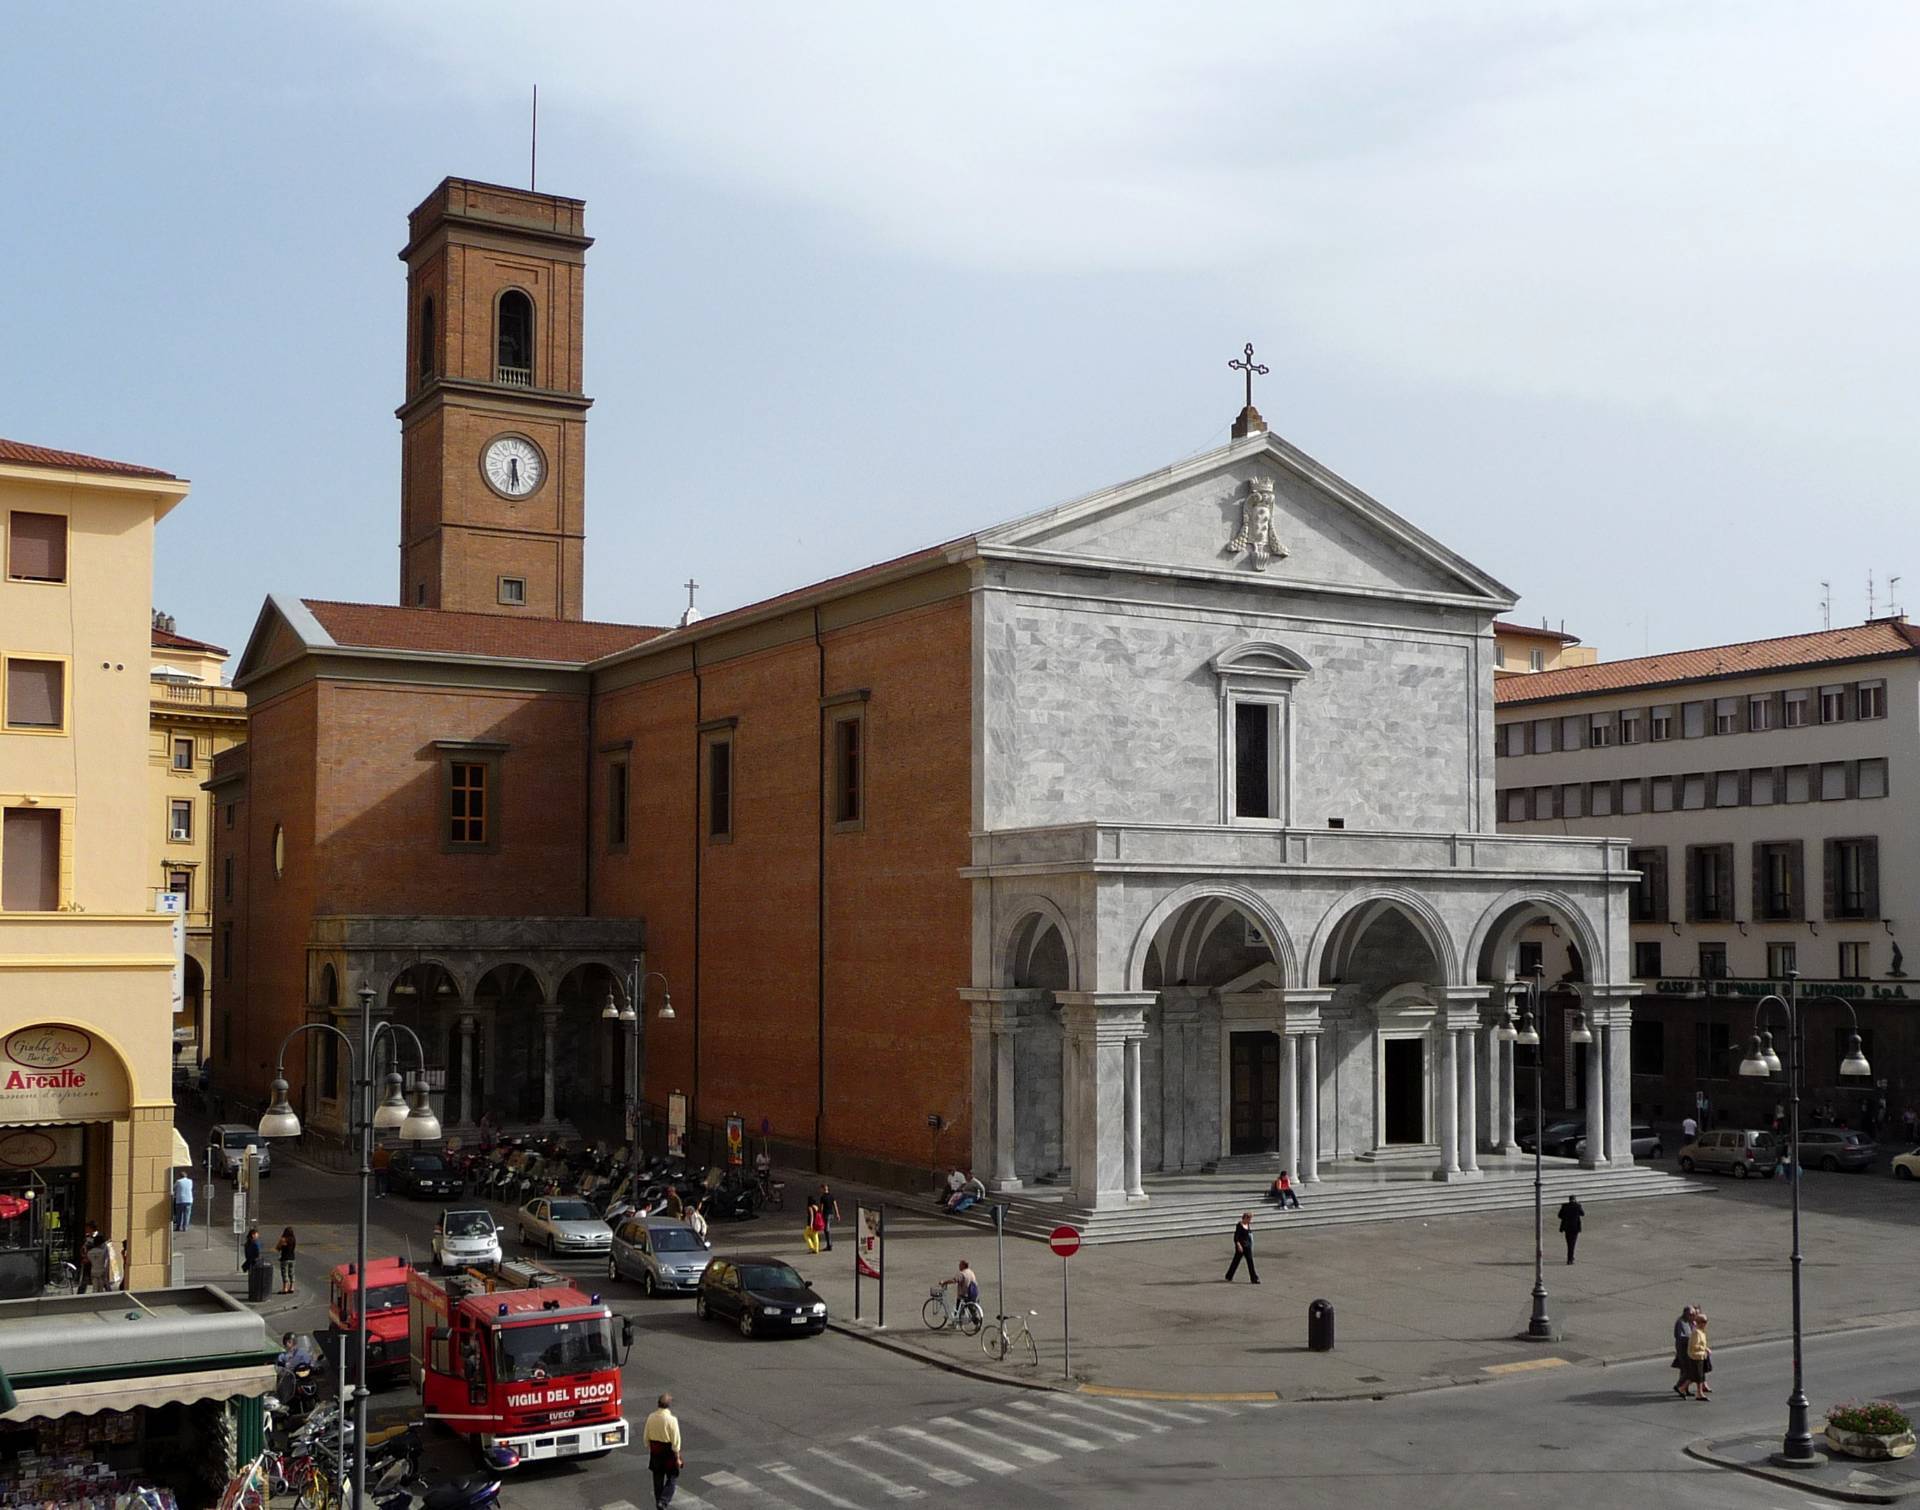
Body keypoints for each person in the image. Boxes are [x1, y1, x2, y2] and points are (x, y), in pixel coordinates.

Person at [644, 1391, 683, 1509]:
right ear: (669, 1405)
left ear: (658, 1404)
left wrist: (650, 1448)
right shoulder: (671, 1420)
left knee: (658, 1478)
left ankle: (658, 1503)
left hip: (655, 1451)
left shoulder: (651, 1417)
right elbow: (675, 1441)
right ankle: (664, 1500)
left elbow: (646, 1437)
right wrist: (677, 1458)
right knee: (672, 1476)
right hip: (668, 1452)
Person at [1224, 1211, 1259, 1284]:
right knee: (1235, 1261)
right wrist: (1238, 1245)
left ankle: (1254, 1278)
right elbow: (1236, 1237)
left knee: (1250, 1262)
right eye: (1249, 1219)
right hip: (1241, 1246)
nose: (1250, 1221)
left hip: (1247, 1246)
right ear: (1245, 1218)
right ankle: (1229, 1275)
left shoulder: (1247, 1224)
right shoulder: (1239, 1225)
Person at [1686, 1310, 1712, 1400]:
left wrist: (1706, 1349)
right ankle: (1698, 1393)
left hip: (1700, 1355)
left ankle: (1683, 1389)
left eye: (1706, 1321)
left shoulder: (1701, 1331)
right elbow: (1695, 1346)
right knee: (1697, 1376)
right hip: (1695, 1356)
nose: (1706, 1323)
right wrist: (1703, 1349)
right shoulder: (1696, 1332)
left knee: (1698, 1376)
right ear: (1699, 1323)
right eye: (1704, 1322)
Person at [1670, 1306, 1695, 1398]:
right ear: (1685, 1313)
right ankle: (1679, 1387)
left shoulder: (1689, 1322)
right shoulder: (1681, 1322)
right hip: (1683, 1350)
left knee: (1685, 1369)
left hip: (1688, 1348)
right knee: (1686, 1370)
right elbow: (1681, 1337)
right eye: (1691, 1314)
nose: (1692, 1316)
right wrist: (1692, 1339)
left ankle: (1685, 1389)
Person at [1557, 1194, 1584, 1264]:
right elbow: (1582, 1214)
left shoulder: (1565, 1206)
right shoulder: (1578, 1206)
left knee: (1569, 1243)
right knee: (1572, 1244)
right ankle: (1570, 1259)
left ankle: (1571, 1257)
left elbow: (1559, 1216)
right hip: (1575, 1228)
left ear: (1569, 1200)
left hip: (1567, 1227)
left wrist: (1566, 1217)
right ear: (1575, 1199)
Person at [817, 1182, 841, 1252]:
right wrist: (837, 1214)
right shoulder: (831, 1196)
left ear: (822, 1189)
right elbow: (835, 1205)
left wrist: (820, 1216)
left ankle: (829, 1245)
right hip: (831, 1214)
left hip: (826, 1215)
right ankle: (829, 1244)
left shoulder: (822, 1197)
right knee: (826, 1229)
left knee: (827, 1230)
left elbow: (821, 1208)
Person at [77, 1220, 100, 1292]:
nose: (86, 1229)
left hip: (94, 1261)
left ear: (91, 1228)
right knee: (85, 1277)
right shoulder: (88, 1236)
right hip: (87, 1260)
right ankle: (81, 1292)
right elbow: (85, 1247)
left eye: (87, 1227)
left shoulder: (98, 1237)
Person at [275, 1227, 298, 1295]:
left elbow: (277, 1248)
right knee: (291, 1272)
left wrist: (280, 1246)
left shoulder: (283, 1240)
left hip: (285, 1258)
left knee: (284, 1273)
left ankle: (285, 1288)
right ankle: (292, 1287)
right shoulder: (293, 1239)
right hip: (292, 1258)